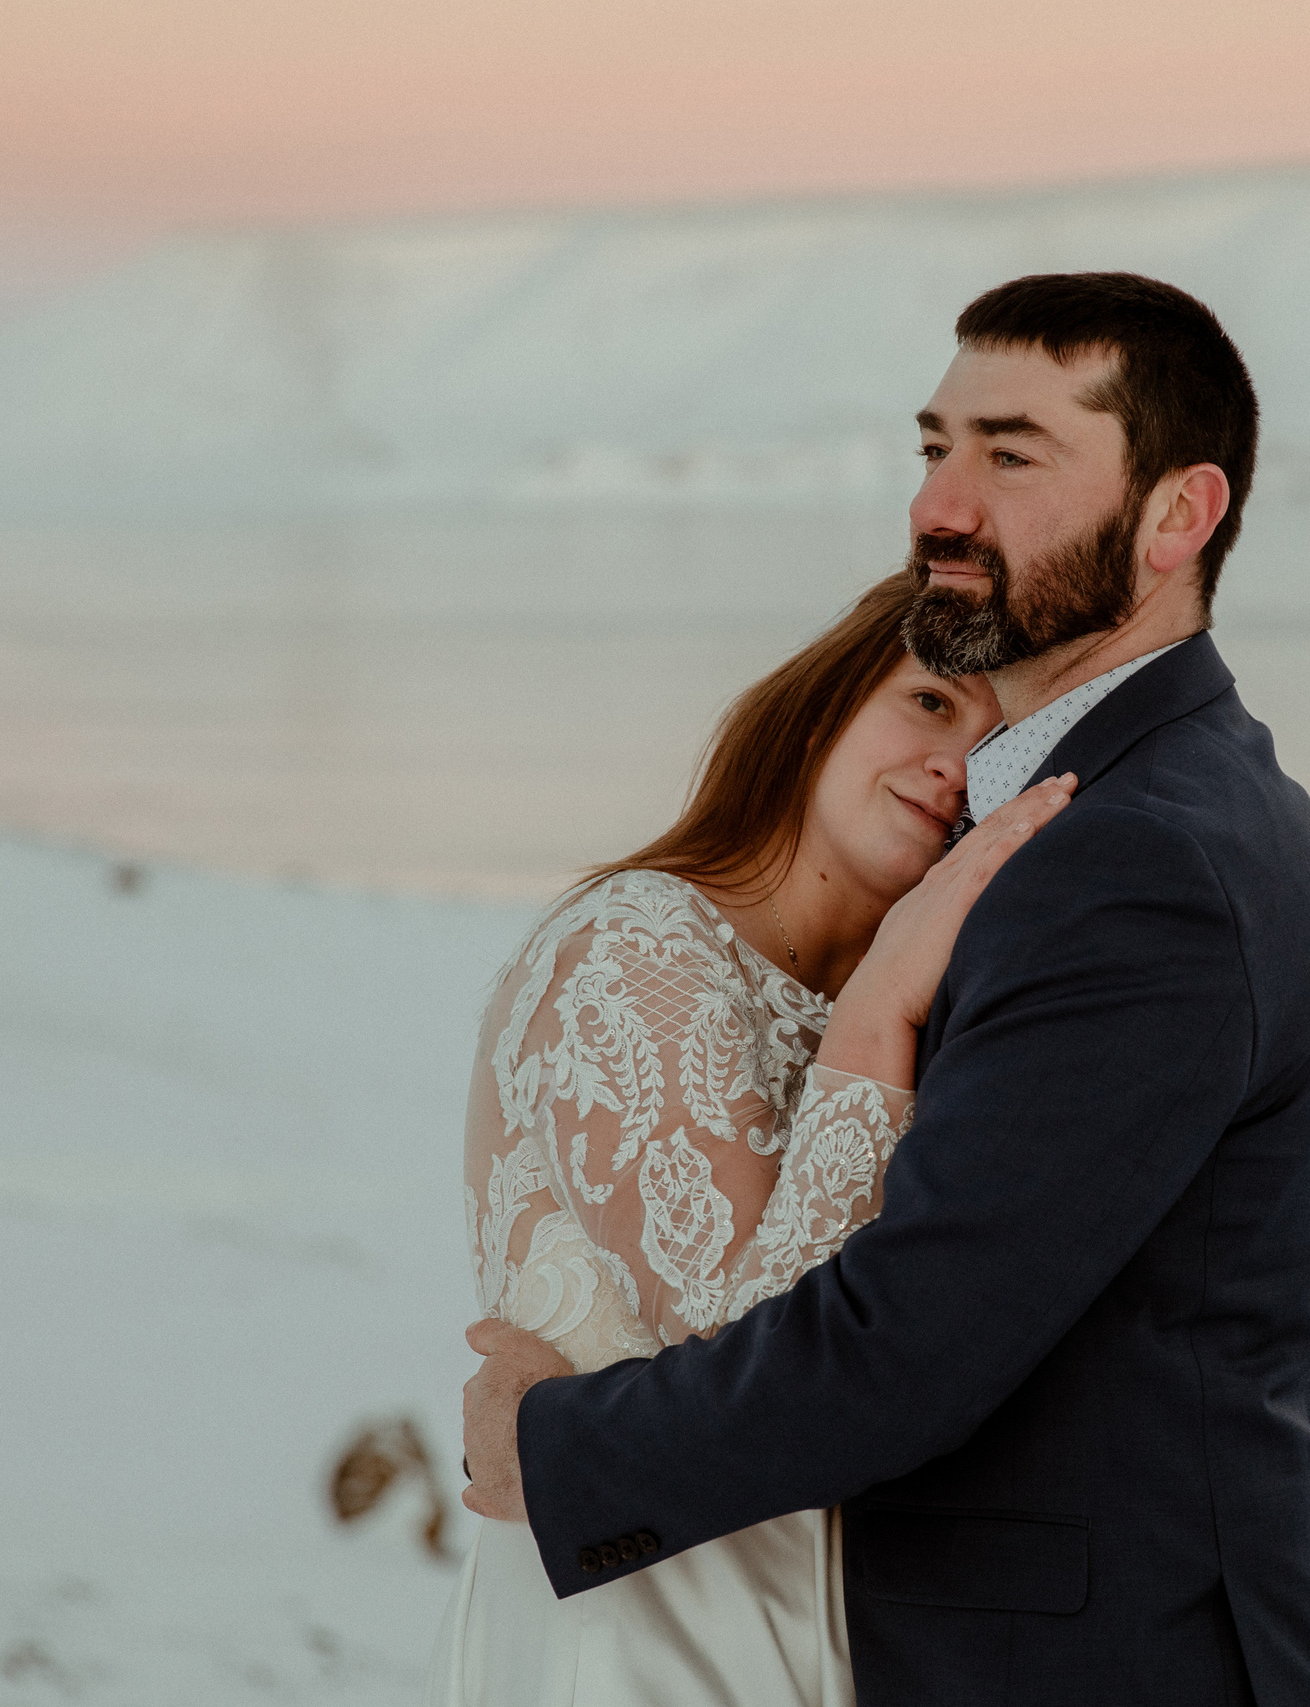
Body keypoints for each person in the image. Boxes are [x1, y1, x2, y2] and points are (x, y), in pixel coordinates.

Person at [462, 272, 1310, 1706]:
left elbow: (907, 1343)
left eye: (1012, 456)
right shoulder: (1109, 811)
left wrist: (560, 1445)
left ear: (1177, 516)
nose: (941, 506)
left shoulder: (1135, 854)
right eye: (934, 448)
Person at [429, 569, 1076, 1706]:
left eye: (999, 750)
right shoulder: (639, 949)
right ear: (823, 702)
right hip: (642, 1640)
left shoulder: (919, 1011)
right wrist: (878, 1014)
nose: (955, 766)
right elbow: (756, 1349)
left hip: (832, 1639)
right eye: (931, 703)